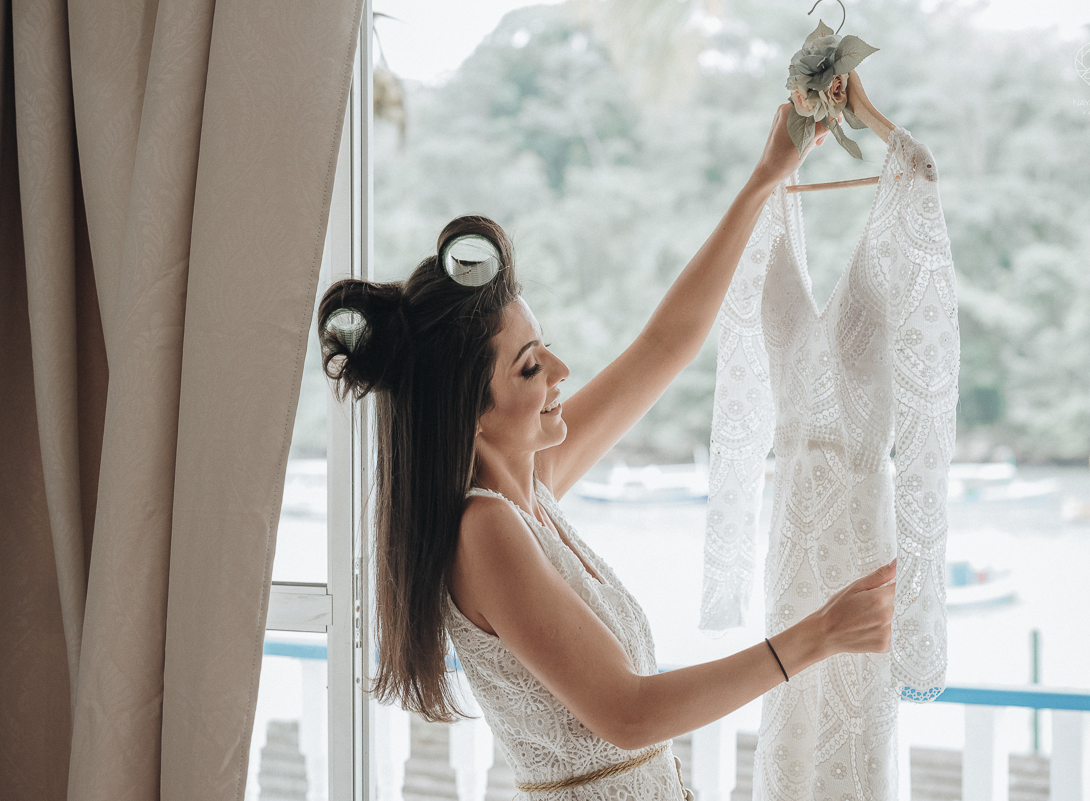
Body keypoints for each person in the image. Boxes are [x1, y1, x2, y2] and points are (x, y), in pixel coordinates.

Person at [317, 103, 897, 799]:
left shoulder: (530, 491)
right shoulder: (485, 530)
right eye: (530, 366)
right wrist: (819, 635)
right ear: (468, 414)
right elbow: (631, 713)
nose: (561, 371)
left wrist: (765, 178)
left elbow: (665, 344)